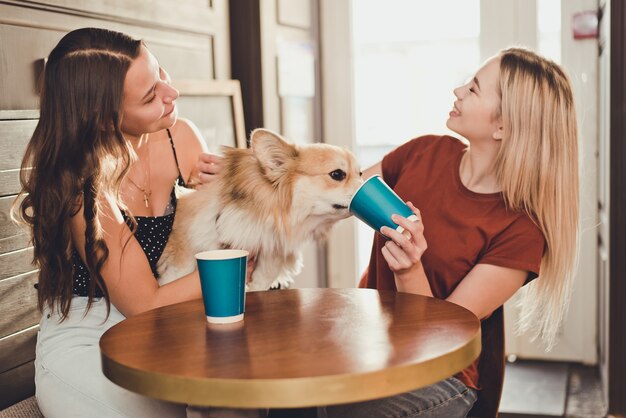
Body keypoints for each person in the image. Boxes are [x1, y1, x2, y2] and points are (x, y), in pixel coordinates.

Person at [13, 27, 259, 418]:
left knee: (244, 402)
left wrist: (230, 188)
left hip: (165, 329)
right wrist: (239, 262)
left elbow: (217, 229)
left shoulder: (180, 137)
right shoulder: (83, 187)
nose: (171, 94)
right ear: (106, 121)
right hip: (91, 336)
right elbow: (144, 304)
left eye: (161, 73)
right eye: (150, 96)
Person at [326, 48, 579, 418]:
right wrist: (245, 180)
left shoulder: (521, 230)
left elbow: (443, 337)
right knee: (289, 395)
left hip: (443, 378)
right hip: (373, 348)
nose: (457, 91)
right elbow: (336, 194)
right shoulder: (425, 153)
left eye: (474, 89)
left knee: (341, 410)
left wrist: (410, 270)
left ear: (503, 126)